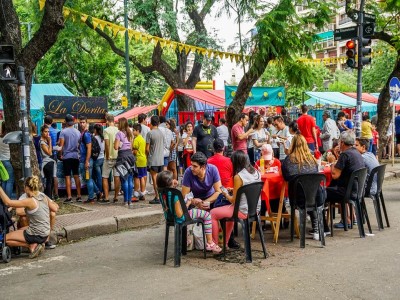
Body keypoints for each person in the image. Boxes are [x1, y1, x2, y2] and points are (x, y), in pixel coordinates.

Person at [156, 170, 222, 253]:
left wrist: (173, 187)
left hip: (170, 218)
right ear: (170, 182)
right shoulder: (176, 195)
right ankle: (210, 242)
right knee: (207, 215)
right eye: (173, 179)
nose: (175, 180)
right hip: (181, 218)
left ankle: (186, 239)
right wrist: (188, 203)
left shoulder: (162, 193)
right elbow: (180, 214)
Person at [281, 134, 328, 240]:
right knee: (312, 191)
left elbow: (286, 177)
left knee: (304, 190)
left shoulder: (288, 161)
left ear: (292, 145)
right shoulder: (312, 160)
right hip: (316, 197)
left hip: (298, 198)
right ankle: (317, 227)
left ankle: (315, 227)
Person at [211, 150, 261, 248]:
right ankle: (225, 243)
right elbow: (248, 188)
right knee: (229, 215)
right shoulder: (257, 173)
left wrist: (225, 193)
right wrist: (234, 190)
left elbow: (233, 201)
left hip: (242, 210)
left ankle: (215, 245)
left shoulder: (238, 176)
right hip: (255, 210)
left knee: (213, 213)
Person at [0, 176, 58, 258]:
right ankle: (38, 243)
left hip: (36, 234)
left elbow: (7, 202)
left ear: (27, 187)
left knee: (4, 239)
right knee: (20, 230)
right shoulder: (43, 196)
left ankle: (31, 245)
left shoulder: (30, 201)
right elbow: (54, 208)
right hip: (45, 233)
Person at [327, 131, 365, 228]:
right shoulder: (356, 153)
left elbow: (335, 175)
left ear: (342, 143)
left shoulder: (345, 155)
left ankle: (322, 226)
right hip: (357, 190)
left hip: (347, 192)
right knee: (334, 186)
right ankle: (348, 219)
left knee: (320, 192)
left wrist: (331, 162)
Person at [58, 114, 82, 203]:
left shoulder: (63, 132)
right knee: (76, 175)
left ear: (65, 122)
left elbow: (61, 145)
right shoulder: (78, 132)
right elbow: (79, 145)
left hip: (67, 156)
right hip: (76, 156)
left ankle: (69, 197)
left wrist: (60, 155)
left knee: (67, 176)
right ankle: (79, 195)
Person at [114, 117, 135, 208]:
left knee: (124, 179)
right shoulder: (130, 133)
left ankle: (126, 200)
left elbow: (115, 147)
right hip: (130, 156)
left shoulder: (119, 134)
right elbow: (131, 147)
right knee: (130, 179)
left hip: (122, 157)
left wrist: (118, 146)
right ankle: (130, 200)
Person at [78, 115, 100, 204]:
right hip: (84, 160)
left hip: (86, 160)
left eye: (83, 122)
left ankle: (91, 197)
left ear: (86, 123)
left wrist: (87, 161)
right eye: (81, 122)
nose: (82, 124)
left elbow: (89, 148)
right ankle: (98, 192)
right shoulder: (83, 133)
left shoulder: (86, 134)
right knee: (89, 178)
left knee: (88, 179)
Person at [100, 114, 120, 204]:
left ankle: (107, 197)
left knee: (104, 177)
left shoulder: (106, 131)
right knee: (117, 177)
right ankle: (116, 196)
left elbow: (107, 144)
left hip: (109, 157)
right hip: (117, 156)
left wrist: (107, 155)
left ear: (107, 121)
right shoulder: (118, 130)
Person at [146, 115, 166, 204]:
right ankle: (162, 196)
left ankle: (157, 197)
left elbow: (147, 148)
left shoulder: (150, 133)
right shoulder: (161, 133)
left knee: (154, 179)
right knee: (160, 179)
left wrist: (147, 155)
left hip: (153, 159)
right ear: (158, 123)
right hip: (161, 159)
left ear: (151, 122)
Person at [44, 115, 59, 200]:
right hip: (55, 154)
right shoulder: (56, 131)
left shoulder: (45, 132)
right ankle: (56, 194)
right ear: (52, 121)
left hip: (47, 155)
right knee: (54, 175)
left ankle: (49, 195)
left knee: (47, 177)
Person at [39, 125, 56, 198]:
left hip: (50, 161)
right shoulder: (42, 142)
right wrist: (50, 141)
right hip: (47, 162)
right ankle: (48, 197)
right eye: (45, 132)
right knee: (49, 181)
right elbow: (49, 153)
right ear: (42, 132)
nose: (47, 133)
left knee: (51, 180)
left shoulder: (45, 140)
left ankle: (49, 196)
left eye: (48, 132)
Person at [132, 123, 147, 201]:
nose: (133, 132)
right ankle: (143, 193)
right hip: (144, 159)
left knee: (137, 178)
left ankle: (136, 194)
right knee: (142, 177)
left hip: (138, 160)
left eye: (134, 130)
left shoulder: (136, 139)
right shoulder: (142, 139)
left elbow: (134, 151)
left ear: (138, 131)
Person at [0, 122, 14, 198]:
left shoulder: (0, 138)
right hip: (8, 161)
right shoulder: (9, 138)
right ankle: (8, 199)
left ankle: (3, 198)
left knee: (4, 179)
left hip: (1, 161)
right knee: (10, 180)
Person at [92, 124, 105, 199]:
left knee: (98, 177)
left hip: (96, 159)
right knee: (101, 176)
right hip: (102, 157)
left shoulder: (95, 138)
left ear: (96, 130)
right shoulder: (102, 138)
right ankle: (102, 192)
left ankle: (99, 192)